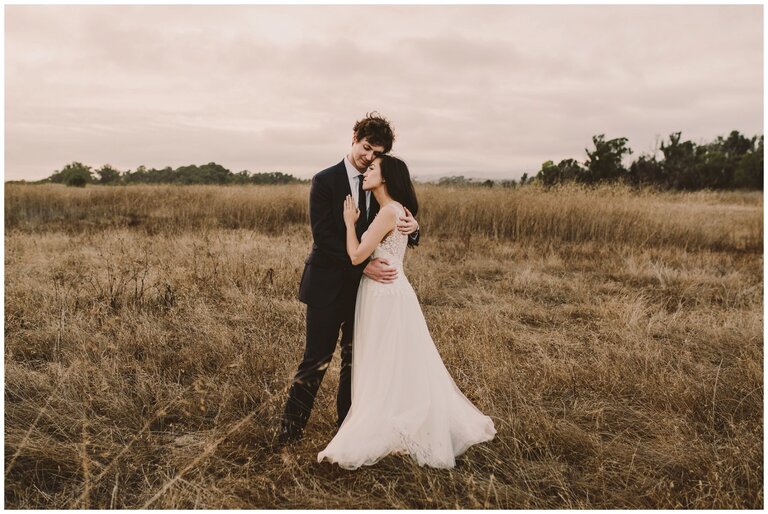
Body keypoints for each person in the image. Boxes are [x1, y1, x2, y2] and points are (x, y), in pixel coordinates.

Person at [317, 155, 496, 469]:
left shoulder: (388, 211)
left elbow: (357, 255)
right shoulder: (399, 210)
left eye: (373, 169)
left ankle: (385, 421)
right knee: (396, 359)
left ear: (385, 178)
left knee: (382, 358)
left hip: (382, 293)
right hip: (394, 290)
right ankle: (395, 416)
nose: (367, 171)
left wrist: (348, 223)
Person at [279, 113, 420, 445]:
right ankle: (289, 433)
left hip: (366, 293)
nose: (368, 157)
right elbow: (324, 237)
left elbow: (400, 220)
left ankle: (347, 434)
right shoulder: (324, 180)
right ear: (354, 138)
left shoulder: (381, 180)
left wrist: (414, 230)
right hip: (327, 285)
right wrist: (363, 265)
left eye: (376, 153)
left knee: (354, 362)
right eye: (366, 147)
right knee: (315, 361)